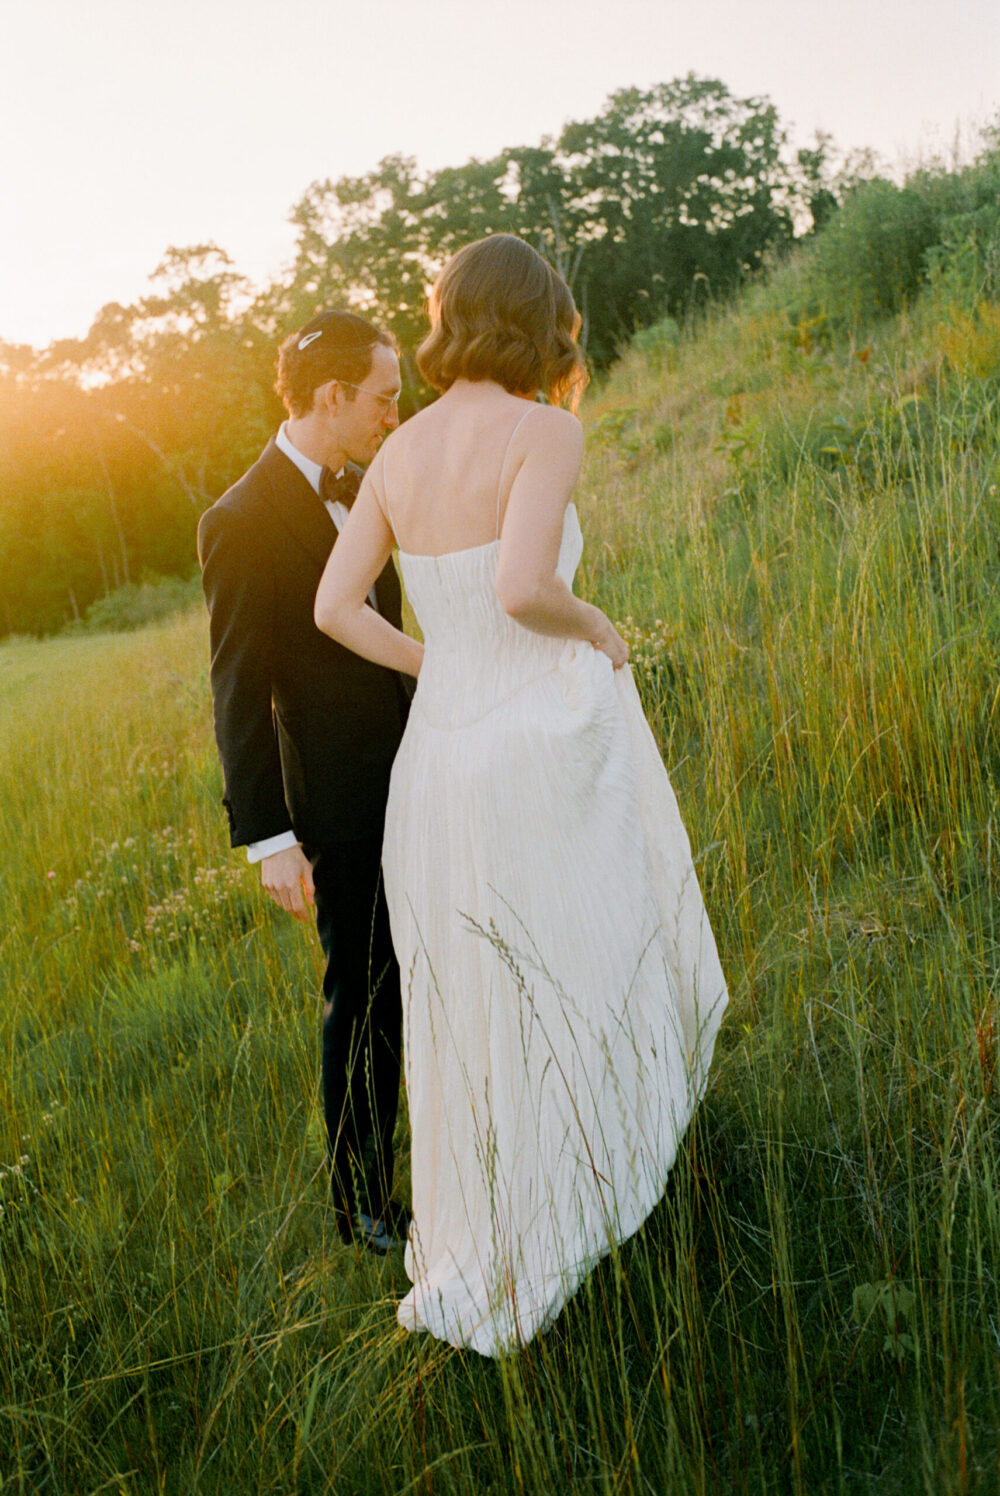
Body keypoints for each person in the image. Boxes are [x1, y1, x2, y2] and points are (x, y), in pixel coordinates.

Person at [314, 235, 728, 1353]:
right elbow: (522, 585)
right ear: (541, 318)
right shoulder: (543, 428)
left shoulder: (396, 449)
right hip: (534, 737)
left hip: (438, 763)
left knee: (472, 998)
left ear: (451, 319)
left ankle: (491, 1220)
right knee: (581, 955)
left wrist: (438, 664)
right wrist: (597, 626)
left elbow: (334, 608)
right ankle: (588, 1185)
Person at [198, 309, 414, 1253]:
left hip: (424, 768)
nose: (392, 414)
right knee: (364, 992)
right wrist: (271, 837)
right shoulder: (239, 520)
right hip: (336, 799)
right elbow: (238, 688)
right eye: (382, 398)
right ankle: (361, 1203)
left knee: (426, 977)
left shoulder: (371, 484)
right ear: (332, 398)